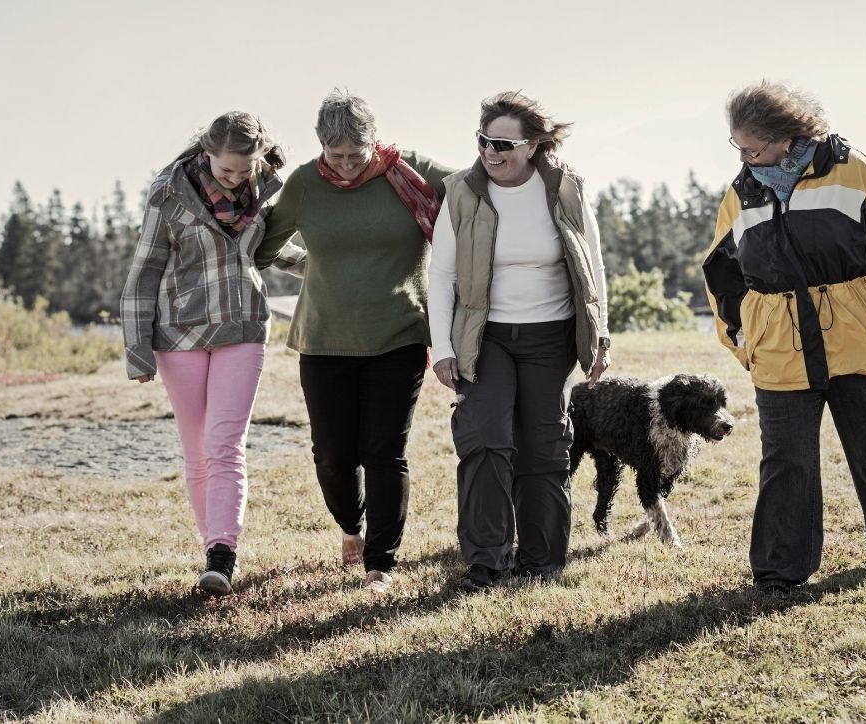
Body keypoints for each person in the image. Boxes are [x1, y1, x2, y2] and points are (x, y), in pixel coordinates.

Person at [701, 81, 866, 596]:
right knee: (785, 461)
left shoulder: (856, 172)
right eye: (736, 146)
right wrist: (741, 338)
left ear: (788, 136)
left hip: (858, 340)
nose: (743, 157)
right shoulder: (742, 191)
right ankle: (779, 573)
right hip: (779, 349)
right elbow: (722, 271)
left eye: (752, 147)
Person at [254, 89, 454, 594]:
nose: (344, 166)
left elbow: (481, 189)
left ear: (374, 141)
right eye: (334, 155)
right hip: (324, 340)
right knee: (333, 455)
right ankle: (352, 529)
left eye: (355, 155)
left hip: (399, 334)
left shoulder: (411, 171)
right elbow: (260, 247)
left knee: (385, 451)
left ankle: (380, 564)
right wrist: (310, 265)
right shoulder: (304, 183)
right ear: (321, 145)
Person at [428, 91, 611, 592]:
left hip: (549, 337)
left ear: (532, 146)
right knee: (485, 437)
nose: (491, 152)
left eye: (503, 143)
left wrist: (602, 336)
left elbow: (593, 266)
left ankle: (542, 562)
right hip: (484, 337)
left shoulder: (566, 188)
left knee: (544, 446)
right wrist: (442, 349)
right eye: (484, 141)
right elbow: (441, 274)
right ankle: (486, 562)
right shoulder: (462, 192)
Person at [121, 111, 286, 596]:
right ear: (206, 153)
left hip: (243, 328)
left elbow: (271, 251)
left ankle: (221, 555)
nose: (235, 180)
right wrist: (137, 347)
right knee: (197, 453)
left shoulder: (267, 190)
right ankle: (210, 549)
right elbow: (145, 269)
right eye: (226, 170)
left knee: (224, 445)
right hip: (179, 335)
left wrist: (332, 265)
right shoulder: (169, 192)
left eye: (245, 170)